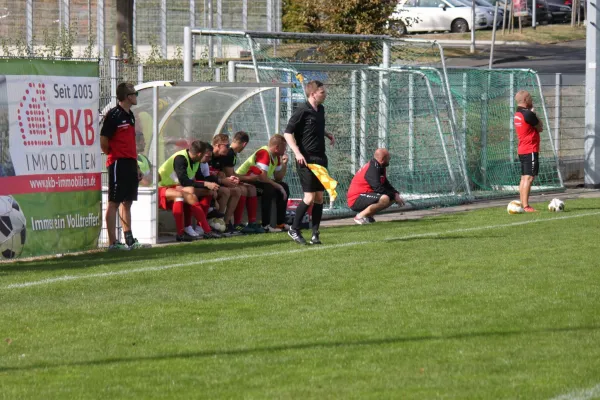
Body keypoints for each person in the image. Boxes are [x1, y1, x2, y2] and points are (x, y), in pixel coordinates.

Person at [284, 80, 335, 245]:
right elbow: (288, 133)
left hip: (321, 158)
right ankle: (294, 228)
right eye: (322, 92)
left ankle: (315, 234)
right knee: (309, 196)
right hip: (306, 159)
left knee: (320, 197)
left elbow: (314, 127)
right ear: (313, 94)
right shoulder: (302, 110)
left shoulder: (321, 109)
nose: (325, 94)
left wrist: (327, 134)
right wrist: (297, 152)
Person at [100, 82, 146, 250]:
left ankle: (129, 239)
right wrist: (113, 155)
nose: (136, 97)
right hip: (118, 163)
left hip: (130, 163)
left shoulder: (131, 115)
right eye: (135, 94)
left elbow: (130, 143)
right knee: (114, 202)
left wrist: (137, 166)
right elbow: (104, 140)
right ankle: (112, 242)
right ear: (128, 97)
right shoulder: (113, 116)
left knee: (127, 202)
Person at [158, 140, 222, 240]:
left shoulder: (196, 161)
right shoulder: (180, 158)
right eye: (205, 155)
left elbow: (197, 179)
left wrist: (213, 184)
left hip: (177, 187)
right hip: (162, 187)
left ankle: (200, 228)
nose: (208, 159)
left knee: (208, 192)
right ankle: (184, 232)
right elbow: (184, 181)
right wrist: (206, 184)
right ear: (199, 154)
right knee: (188, 193)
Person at [236, 134, 290, 232]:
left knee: (284, 186)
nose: (285, 150)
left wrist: (284, 164)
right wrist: (278, 186)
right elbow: (262, 177)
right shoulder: (264, 153)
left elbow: (278, 178)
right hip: (244, 180)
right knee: (269, 188)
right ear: (277, 147)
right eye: (284, 147)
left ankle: (280, 223)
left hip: (257, 181)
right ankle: (266, 225)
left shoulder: (276, 156)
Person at [211, 132, 262, 234]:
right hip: (217, 183)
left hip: (220, 181)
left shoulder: (230, 153)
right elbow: (229, 174)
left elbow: (229, 174)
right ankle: (231, 223)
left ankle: (248, 222)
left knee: (250, 189)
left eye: (228, 144)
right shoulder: (228, 153)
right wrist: (249, 178)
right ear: (244, 144)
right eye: (226, 145)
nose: (228, 146)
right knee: (240, 189)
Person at [347, 148, 405, 224]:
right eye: (388, 158)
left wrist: (395, 193)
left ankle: (368, 216)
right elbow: (378, 188)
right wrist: (393, 195)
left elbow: (385, 183)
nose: (389, 160)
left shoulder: (380, 166)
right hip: (356, 199)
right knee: (385, 198)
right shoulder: (372, 168)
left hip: (366, 195)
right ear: (382, 159)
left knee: (392, 197)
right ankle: (359, 217)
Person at [514, 90, 544, 212]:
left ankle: (522, 204)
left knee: (523, 178)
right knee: (529, 178)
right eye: (530, 98)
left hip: (522, 149)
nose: (532, 100)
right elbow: (540, 127)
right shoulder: (528, 114)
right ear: (526, 100)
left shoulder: (517, 113)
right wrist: (534, 114)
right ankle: (526, 206)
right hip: (530, 149)